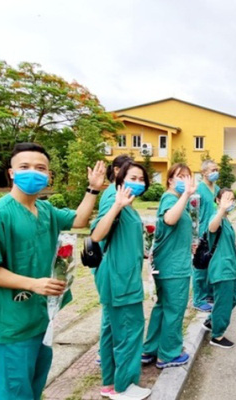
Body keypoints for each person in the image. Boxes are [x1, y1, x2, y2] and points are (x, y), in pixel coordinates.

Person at [0, 143, 106, 400]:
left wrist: (93, 189)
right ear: (11, 173)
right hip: (12, 324)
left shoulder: (45, 210)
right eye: (25, 167)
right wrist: (32, 284)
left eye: (40, 168)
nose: (33, 172)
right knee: (14, 391)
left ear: (48, 175)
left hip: (42, 318)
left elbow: (78, 220)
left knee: (34, 385)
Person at [91, 161, 151, 400]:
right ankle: (123, 387)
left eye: (141, 179)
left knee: (111, 332)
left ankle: (110, 383)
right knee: (129, 331)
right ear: (118, 179)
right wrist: (116, 206)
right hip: (120, 280)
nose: (137, 183)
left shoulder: (129, 207)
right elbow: (96, 234)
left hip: (122, 277)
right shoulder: (116, 202)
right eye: (132, 178)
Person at [142, 164, 196, 368]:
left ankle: (150, 349)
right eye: (180, 176)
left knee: (162, 308)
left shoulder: (179, 200)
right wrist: (186, 196)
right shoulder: (170, 198)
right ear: (170, 180)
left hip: (169, 263)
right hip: (173, 267)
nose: (185, 180)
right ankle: (168, 354)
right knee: (174, 309)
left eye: (188, 176)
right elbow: (170, 219)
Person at [96, 154, 134, 367]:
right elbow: (100, 231)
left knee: (111, 317)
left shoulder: (119, 193)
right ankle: (106, 356)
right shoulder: (113, 195)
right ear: (118, 171)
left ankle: (106, 354)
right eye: (130, 173)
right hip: (112, 265)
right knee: (112, 318)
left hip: (117, 264)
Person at [204, 188, 236, 349]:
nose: (231, 202)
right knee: (224, 301)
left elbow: (221, 237)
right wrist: (221, 210)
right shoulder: (217, 217)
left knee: (235, 295)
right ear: (217, 200)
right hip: (222, 268)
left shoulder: (226, 219)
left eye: (233, 199)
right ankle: (217, 336)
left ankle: (211, 321)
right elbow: (212, 228)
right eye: (226, 199)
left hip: (230, 266)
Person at [193, 160, 220, 312]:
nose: (215, 172)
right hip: (202, 233)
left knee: (212, 264)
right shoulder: (198, 190)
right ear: (203, 172)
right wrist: (194, 238)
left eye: (216, 169)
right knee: (200, 266)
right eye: (212, 170)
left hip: (215, 233)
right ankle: (198, 299)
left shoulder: (217, 189)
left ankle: (209, 294)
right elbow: (193, 214)